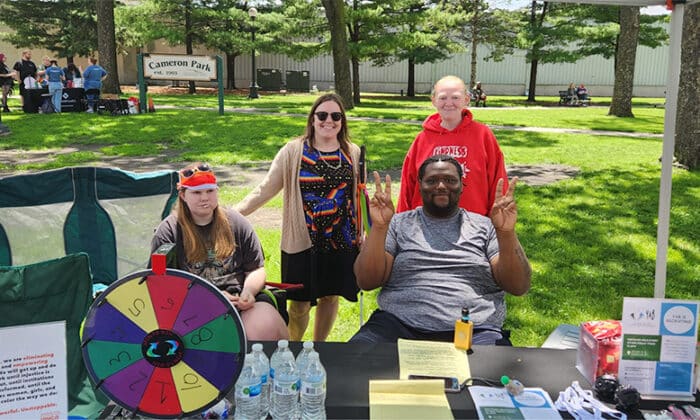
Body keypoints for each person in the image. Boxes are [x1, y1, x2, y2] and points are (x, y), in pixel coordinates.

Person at [350, 155, 531, 345]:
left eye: (450, 180)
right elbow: (367, 281)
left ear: (462, 186)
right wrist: (379, 227)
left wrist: (506, 232)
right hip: (398, 324)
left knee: (492, 373)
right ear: (420, 185)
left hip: (475, 330)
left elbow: (518, 286)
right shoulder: (397, 224)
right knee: (353, 363)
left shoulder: (485, 227)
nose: (441, 186)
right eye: (432, 180)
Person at [236, 93, 363, 342]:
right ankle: (294, 347)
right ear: (313, 119)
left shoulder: (352, 152)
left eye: (336, 116)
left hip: (341, 240)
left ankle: (319, 347)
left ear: (342, 121)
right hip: (302, 241)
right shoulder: (294, 151)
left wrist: (364, 229)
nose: (329, 121)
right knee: (299, 304)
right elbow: (266, 188)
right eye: (322, 115)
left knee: (330, 296)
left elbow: (358, 195)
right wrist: (231, 213)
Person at [151, 163, 289, 341]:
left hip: (239, 299)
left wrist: (249, 291)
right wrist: (209, 298)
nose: (204, 198)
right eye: (197, 192)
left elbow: (256, 269)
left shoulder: (236, 222)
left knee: (266, 327)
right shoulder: (168, 231)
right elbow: (159, 283)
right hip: (191, 305)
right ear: (183, 195)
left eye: (210, 191)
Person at [397, 75, 508, 217]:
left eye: (455, 97)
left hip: (473, 225)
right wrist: (402, 221)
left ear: (466, 100)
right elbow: (408, 183)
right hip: (426, 227)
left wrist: (499, 217)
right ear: (434, 101)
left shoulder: (482, 135)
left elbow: (498, 180)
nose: (449, 103)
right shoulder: (422, 139)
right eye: (443, 98)